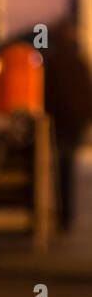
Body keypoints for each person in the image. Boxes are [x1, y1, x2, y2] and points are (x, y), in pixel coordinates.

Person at [42, 18, 92, 233]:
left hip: (59, 122)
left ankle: (61, 214)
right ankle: (64, 215)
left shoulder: (52, 61)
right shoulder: (77, 60)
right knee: (65, 166)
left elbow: (48, 95)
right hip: (72, 122)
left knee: (59, 167)